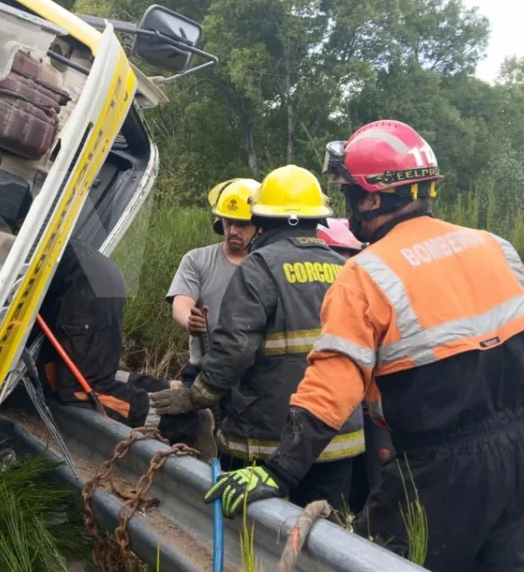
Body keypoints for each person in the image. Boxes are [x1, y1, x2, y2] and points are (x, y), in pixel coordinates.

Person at [205, 120, 524, 572]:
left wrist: (278, 470)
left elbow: (332, 386)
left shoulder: (367, 272)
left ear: (372, 197)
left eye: (350, 194)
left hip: (439, 468)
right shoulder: (496, 247)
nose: (347, 211)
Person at [150, 166, 364, 512]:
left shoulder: (259, 266)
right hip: (336, 439)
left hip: (265, 441)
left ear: (262, 220)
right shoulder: (345, 268)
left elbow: (234, 349)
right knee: (320, 540)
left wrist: (197, 396)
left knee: (251, 537)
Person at [38, 238, 206, 445]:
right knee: (71, 373)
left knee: (83, 387)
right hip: (92, 274)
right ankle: (171, 391)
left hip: (82, 286)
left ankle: (185, 424)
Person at [318, 218, 395, 514]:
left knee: (381, 490)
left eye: (341, 254)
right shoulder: (324, 299)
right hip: (338, 420)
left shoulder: (371, 290)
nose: (335, 263)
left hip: (374, 414)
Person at [167, 178, 260, 386]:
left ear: (259, 226)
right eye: (228, 222)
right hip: (204, 370)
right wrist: (189, 321)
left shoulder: (265, 265)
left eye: (242, 224)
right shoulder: (196, 259)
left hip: (252, 375)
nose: (233, 230)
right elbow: (181, 305)